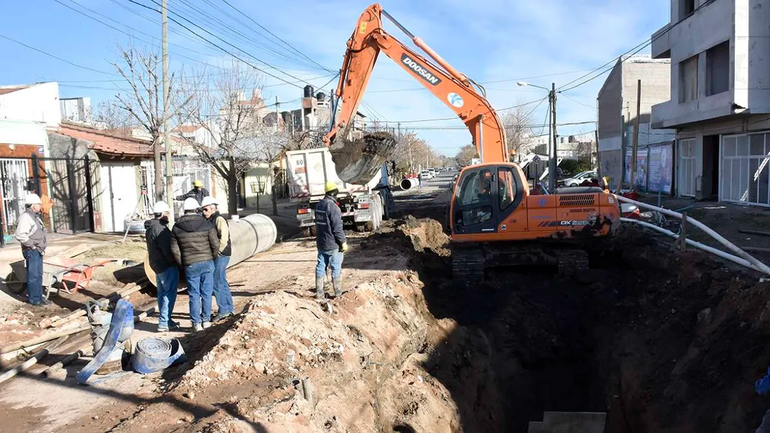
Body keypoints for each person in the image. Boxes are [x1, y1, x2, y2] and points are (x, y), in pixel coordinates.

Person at [170, 198, 219, 331]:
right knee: (207, 293)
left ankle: (196, 323)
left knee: (194, 294)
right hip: (207, 262)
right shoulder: (206, 224)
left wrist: (183, 263)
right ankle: (206, 320)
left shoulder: (176, 227)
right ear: (197, 209)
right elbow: (215, 244)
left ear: (184, 210)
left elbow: (175, 249)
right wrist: (211, 258)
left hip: (190, 264)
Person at [144, 200, 179, 332]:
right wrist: (175, 262)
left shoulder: (151, 227)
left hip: (156, 264)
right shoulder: (161, 229)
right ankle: (164, 322)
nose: (169, 215)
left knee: (162, 293)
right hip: (166, 265)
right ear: (163, 214)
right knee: (169, 293)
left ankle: (167, 320)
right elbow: (167, 249)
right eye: (168, 213)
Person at [200, 196, 233, 322]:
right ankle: (229, 308)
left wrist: (217, 252)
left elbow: (223, 239)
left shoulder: (218, 219)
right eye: (203, 210)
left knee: (217, 282)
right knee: (222, 282)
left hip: (221, 255)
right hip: (220, 254)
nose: (204, 212)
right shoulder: (211, 219)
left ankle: (224, 310)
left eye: (206, 209)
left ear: (213, 208)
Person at [14, 193, 50, 306]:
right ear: (33, 206)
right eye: (38, 204)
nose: (40, 206)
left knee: (38, 274)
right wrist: (32, 245)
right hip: (31, 250)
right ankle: (34, 300)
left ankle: (39, 296)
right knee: (33, 275)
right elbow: (20, 235)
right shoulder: (26, 217)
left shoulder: (35, 217)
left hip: (37, 250)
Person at [314, 181, 348, 300]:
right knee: (336, 267)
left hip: (321, 243)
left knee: (320, 266)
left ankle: (319, 293)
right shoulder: (333, 207)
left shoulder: (319, 205)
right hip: (333, 244)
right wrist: (342, 241)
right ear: (334, 193)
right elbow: (337, 228)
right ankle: (338, 294)